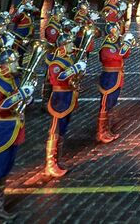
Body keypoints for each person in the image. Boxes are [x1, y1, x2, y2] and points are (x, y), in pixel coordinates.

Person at [0, 46, 33, 222]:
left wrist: (27, 96)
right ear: (5, 65)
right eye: (14, 62)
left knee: (4, 169)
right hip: (0, 130)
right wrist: (20, 95)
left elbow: (17, 100)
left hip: (13, 128)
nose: (17, 65)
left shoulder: (11, 79)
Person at [44, 37, 87, 177]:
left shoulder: (68, 58)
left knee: (62, 129)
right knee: (56, 129)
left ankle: (57, 160)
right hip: (59, 98)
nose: (72, 46)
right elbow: (59, 77)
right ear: (62, 46)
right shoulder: (56, 62)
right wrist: (75, 68)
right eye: (69, 44)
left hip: (68, 96)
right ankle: (50, 164)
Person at [97, 23, 132, 144]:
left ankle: (107, 129)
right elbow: (117, 56)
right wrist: (126, 44)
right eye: (116, 29)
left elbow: (125, 55)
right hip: (109, 78)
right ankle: (101, 132)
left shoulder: (115, 43)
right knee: (105, 104)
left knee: (111, 103)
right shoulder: (107, 46)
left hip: (116, 77)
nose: (119, 31)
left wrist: (127, 45)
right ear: (111, 32)